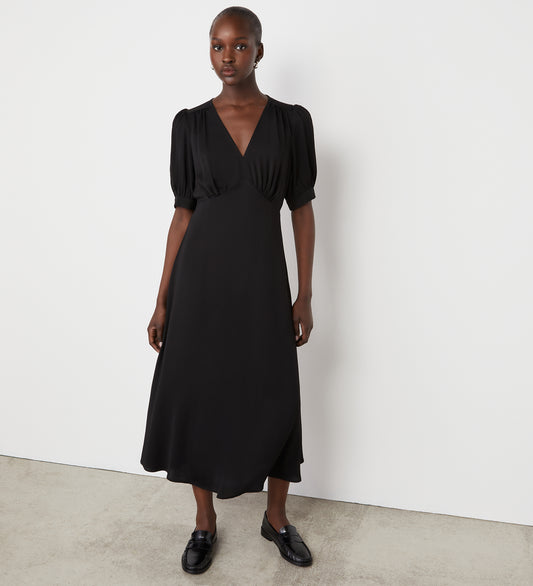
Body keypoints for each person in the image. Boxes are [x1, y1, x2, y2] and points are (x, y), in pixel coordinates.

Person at [140, 6, 317, 574]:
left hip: (263, 285)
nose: (228, 57)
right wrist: (162, 298)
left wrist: (305, 293)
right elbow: (182, 216)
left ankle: (276, 518)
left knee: (275, 393)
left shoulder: (291, 123)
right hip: (200, 287)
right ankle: (204, 522)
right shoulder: (189, 125)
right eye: (217, 46)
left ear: (259, 51)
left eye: (240, 45)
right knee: (199, 394)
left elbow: (302, 210)